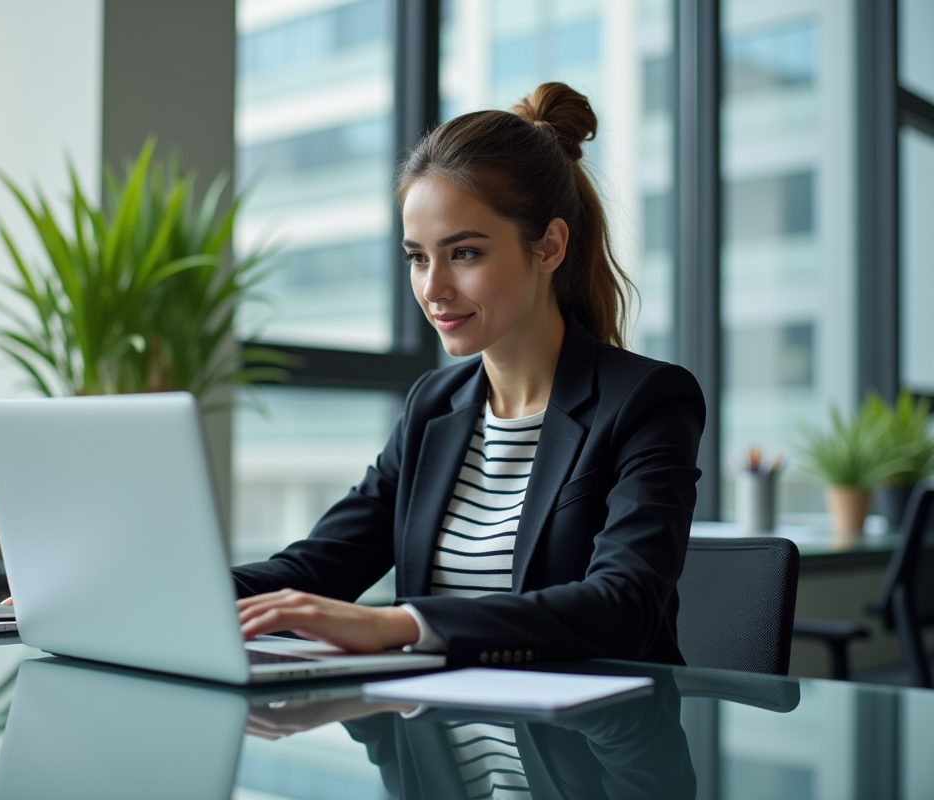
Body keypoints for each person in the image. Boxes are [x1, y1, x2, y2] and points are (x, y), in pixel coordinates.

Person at [232, 82, 706, 669]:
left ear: (550, 246)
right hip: (438, 745)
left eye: (465, 254)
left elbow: (622, 608)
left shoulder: (646, 400)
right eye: (417, 257)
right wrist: (180, 593)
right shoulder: (433, 405)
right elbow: (317, 567)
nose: (433, 290)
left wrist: (399, 625)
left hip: (589, 747)